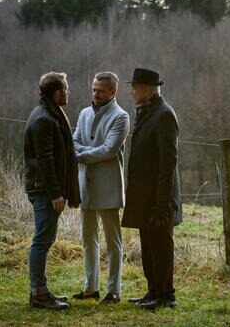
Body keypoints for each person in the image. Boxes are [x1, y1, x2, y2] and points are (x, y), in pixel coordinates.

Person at [121, 68, 183, 310]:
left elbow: (168, 164)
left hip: (159, 197)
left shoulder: (164, 115)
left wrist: (162, 202)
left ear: (147, 89)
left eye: (134, 87)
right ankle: (152, 291)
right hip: (146, 196)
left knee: (161, 246)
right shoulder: (148, 111)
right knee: (148, 245)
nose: (131, 91)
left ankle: (166, 295)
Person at [23, 72, 80, 310]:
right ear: (57, 92)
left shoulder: (48, 113)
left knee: (44, 239)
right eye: (66, 89)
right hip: (44, 190)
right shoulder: (44, 118)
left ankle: (40, 290)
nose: (69, 92)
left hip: (43, 188)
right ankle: (39, 293)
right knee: (42, 241)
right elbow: (45, 160)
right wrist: (56, 193)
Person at [71, 72, 130, 304]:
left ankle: (114, 290)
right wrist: (83, 153)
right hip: (85, 185)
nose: (95, 94)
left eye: (100, 90)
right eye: (94, 89)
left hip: (108, 187)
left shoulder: (121, 116)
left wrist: (81, 155)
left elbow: (109, 149)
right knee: (88, 239)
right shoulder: (84, 113)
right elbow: (74, 141)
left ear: (113, 92)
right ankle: (90, 288)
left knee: (113, 241)